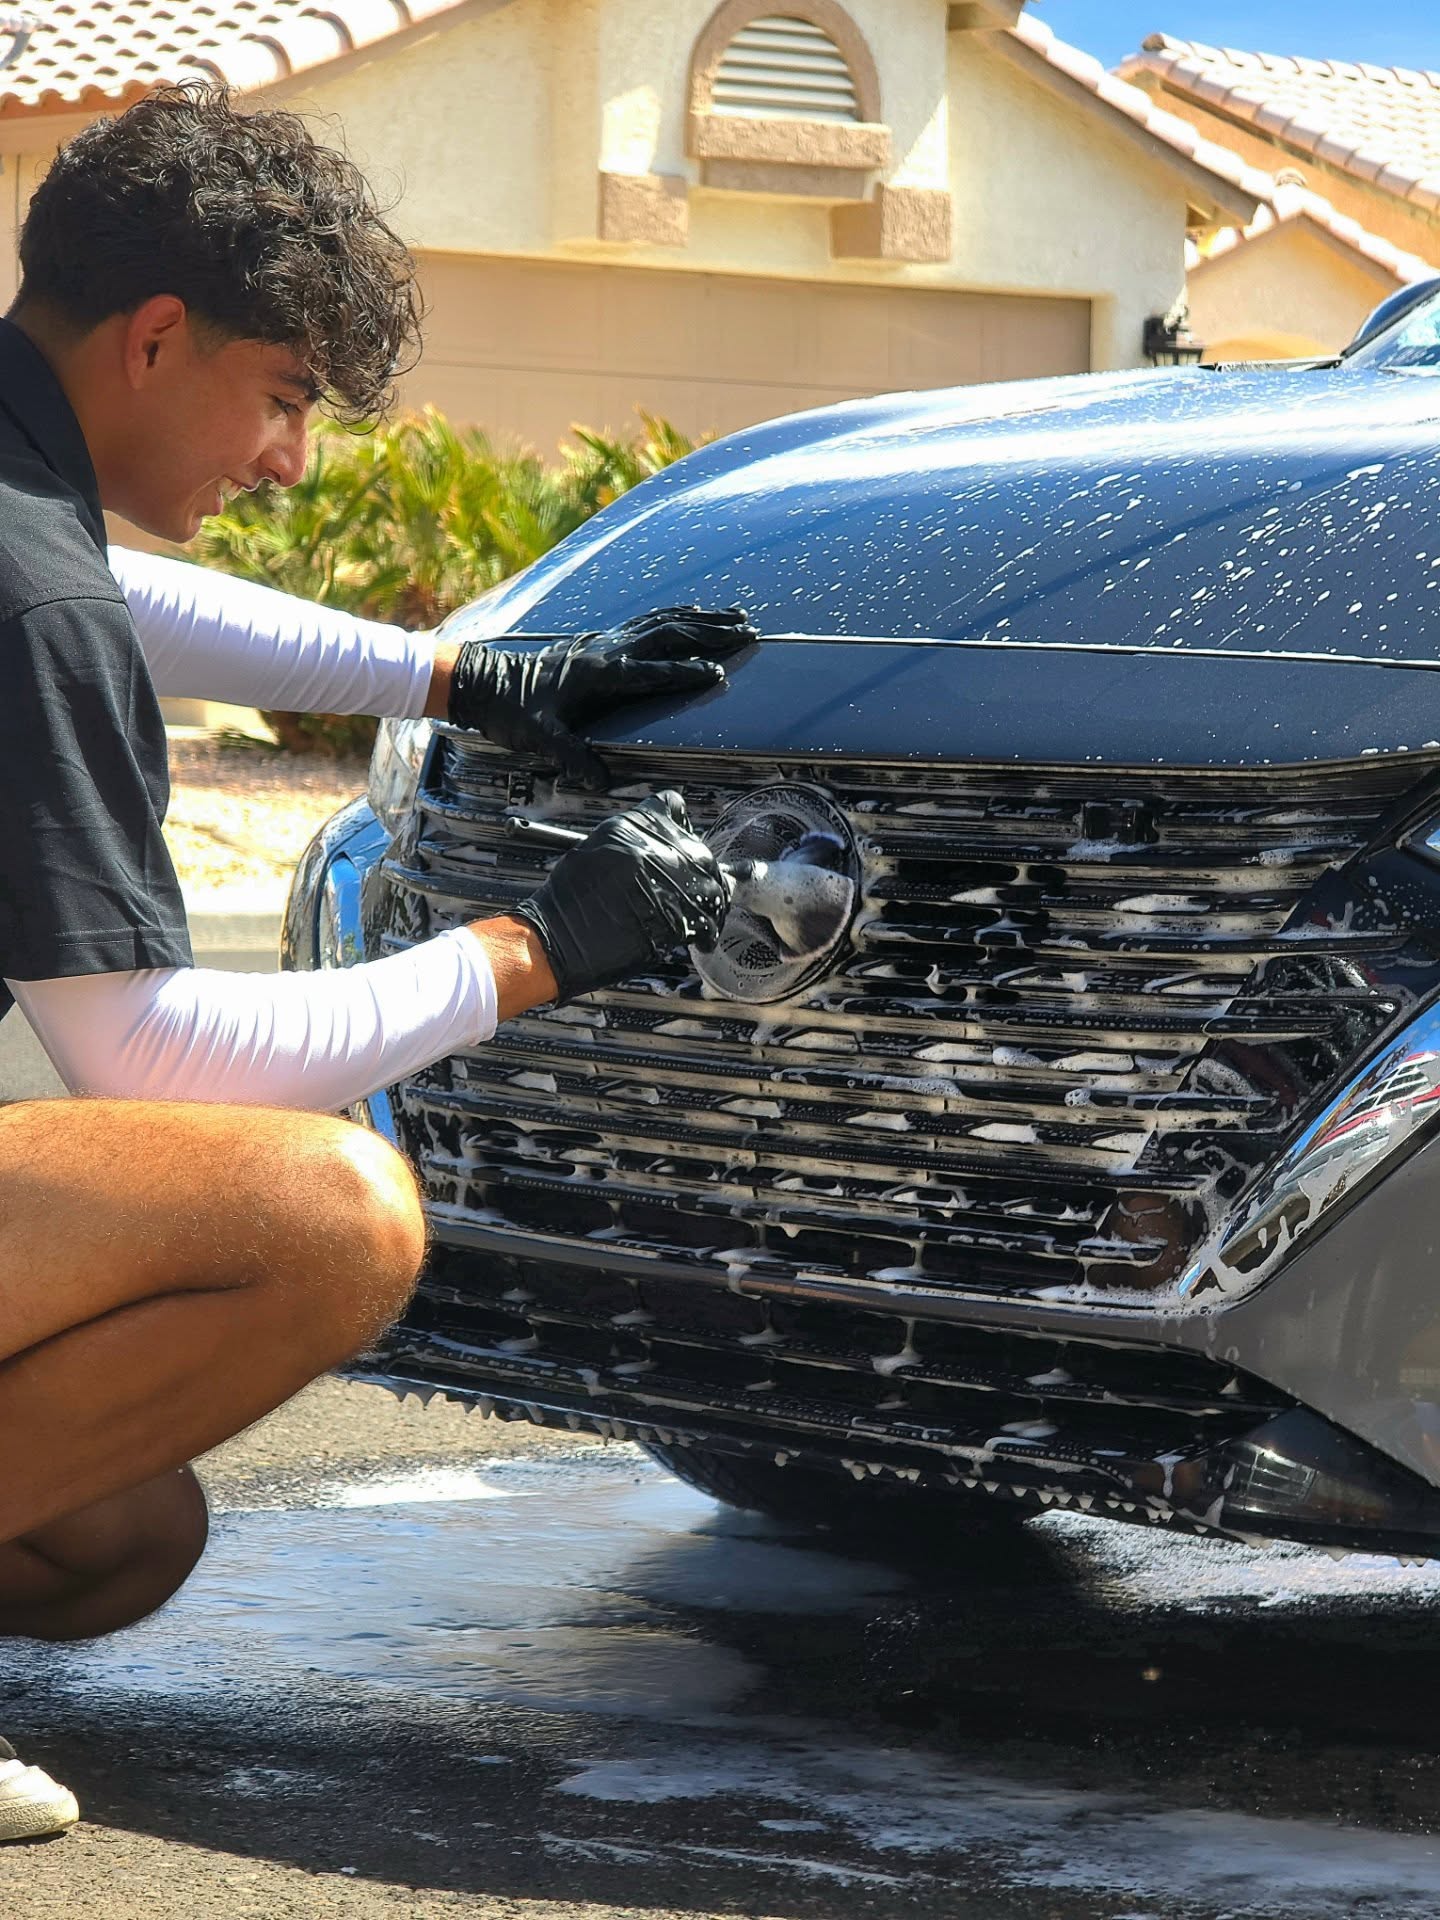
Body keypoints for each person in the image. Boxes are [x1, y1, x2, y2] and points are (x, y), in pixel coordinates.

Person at [0, 83, 751, 1839]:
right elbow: (149, 1062)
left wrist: (466, 678)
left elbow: (113, 601)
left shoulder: (26, 518)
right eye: (283, 399)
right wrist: (538, 944)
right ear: (155, 339)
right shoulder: (32, 590)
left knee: (114, 1531)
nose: (291, 462)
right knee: (326, 1214)